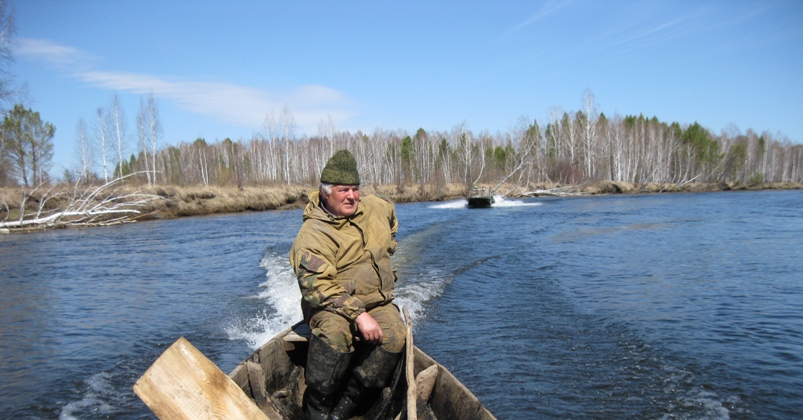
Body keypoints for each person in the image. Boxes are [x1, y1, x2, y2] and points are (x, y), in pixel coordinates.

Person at [289, 149, 405, 420]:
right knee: (336, 333)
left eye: (355, 189)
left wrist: (390, 244)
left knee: (395, 336)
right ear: (326, 193)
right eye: (343, 190)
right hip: (329, 305)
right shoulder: (313, 233)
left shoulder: (375, 207)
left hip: (376, 302)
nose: (352, 196)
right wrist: (359, 315)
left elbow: (390, 216)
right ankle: (318, 405)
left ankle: (347, 407)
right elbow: (316, 287)